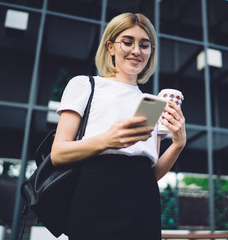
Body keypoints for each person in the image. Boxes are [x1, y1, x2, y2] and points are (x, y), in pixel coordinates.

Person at [50, 12, 186, 240]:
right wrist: (107, 140)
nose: (136, 51)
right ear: (110, 46)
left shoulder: (152, 104)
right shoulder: (86, 85)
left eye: (144, 45)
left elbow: (151, 175)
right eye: (128, 41)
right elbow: (58, 153)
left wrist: (178, 144)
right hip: (96, 192)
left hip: (144, 200)